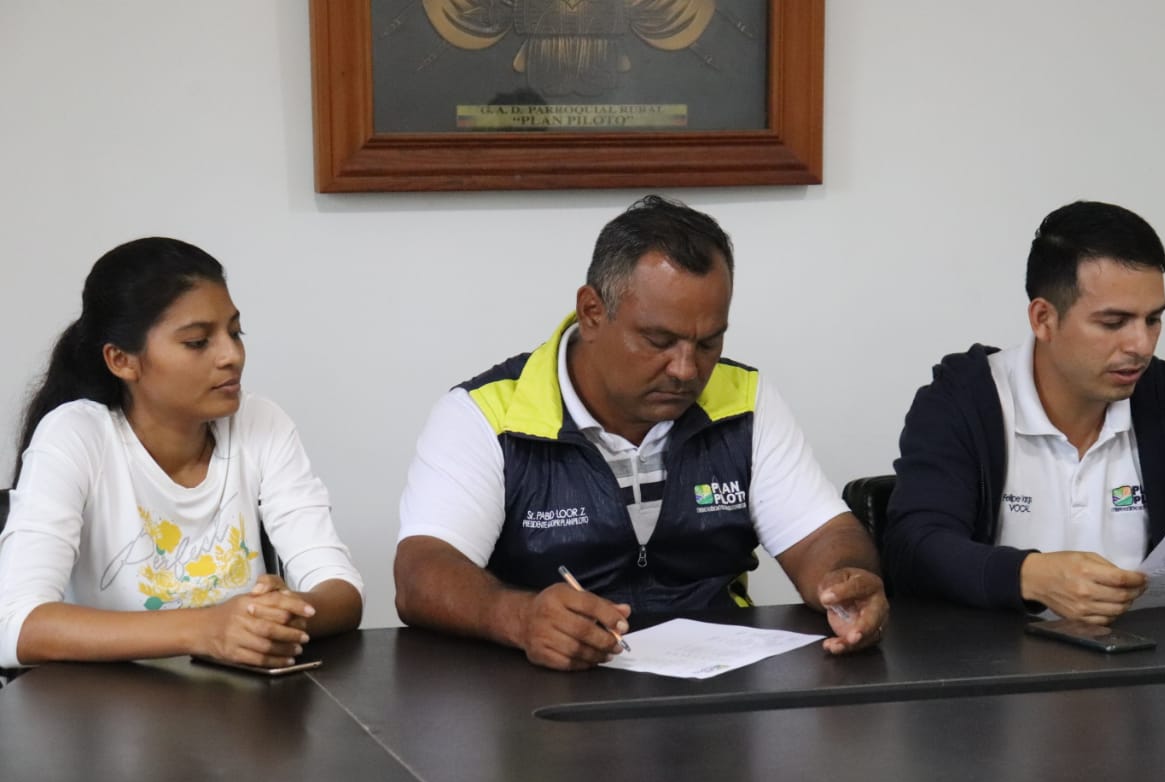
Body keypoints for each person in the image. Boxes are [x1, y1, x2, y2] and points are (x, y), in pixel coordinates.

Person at [394, 195, 886, 670]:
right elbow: (421, 572)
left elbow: (823, 535)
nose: (686, 369)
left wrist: (844, 583)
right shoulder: (487, 415)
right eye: (658, 340)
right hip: (543, 695)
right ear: (592, 312)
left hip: (717, 693)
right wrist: (520, 619)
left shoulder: (744, 400)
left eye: (708, 343)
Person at [885, 200, 1165, 623]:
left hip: (1147, 654)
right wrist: (1029, 575)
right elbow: (914, 548)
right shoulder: (962, 401)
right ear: (1043, 319)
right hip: (997, 657)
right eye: (1114, 322)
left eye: (1153, 320)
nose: (1141, 345)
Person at [0, 237, 364, 671]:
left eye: (235, 332)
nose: (232, 355)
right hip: (104, 707)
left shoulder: (261, 422)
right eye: (197, 341)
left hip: (240, 707)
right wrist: (205, 629)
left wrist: (283, 613)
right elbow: (15, 625)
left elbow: (341, 590)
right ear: (122, 361)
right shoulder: (76, 435)